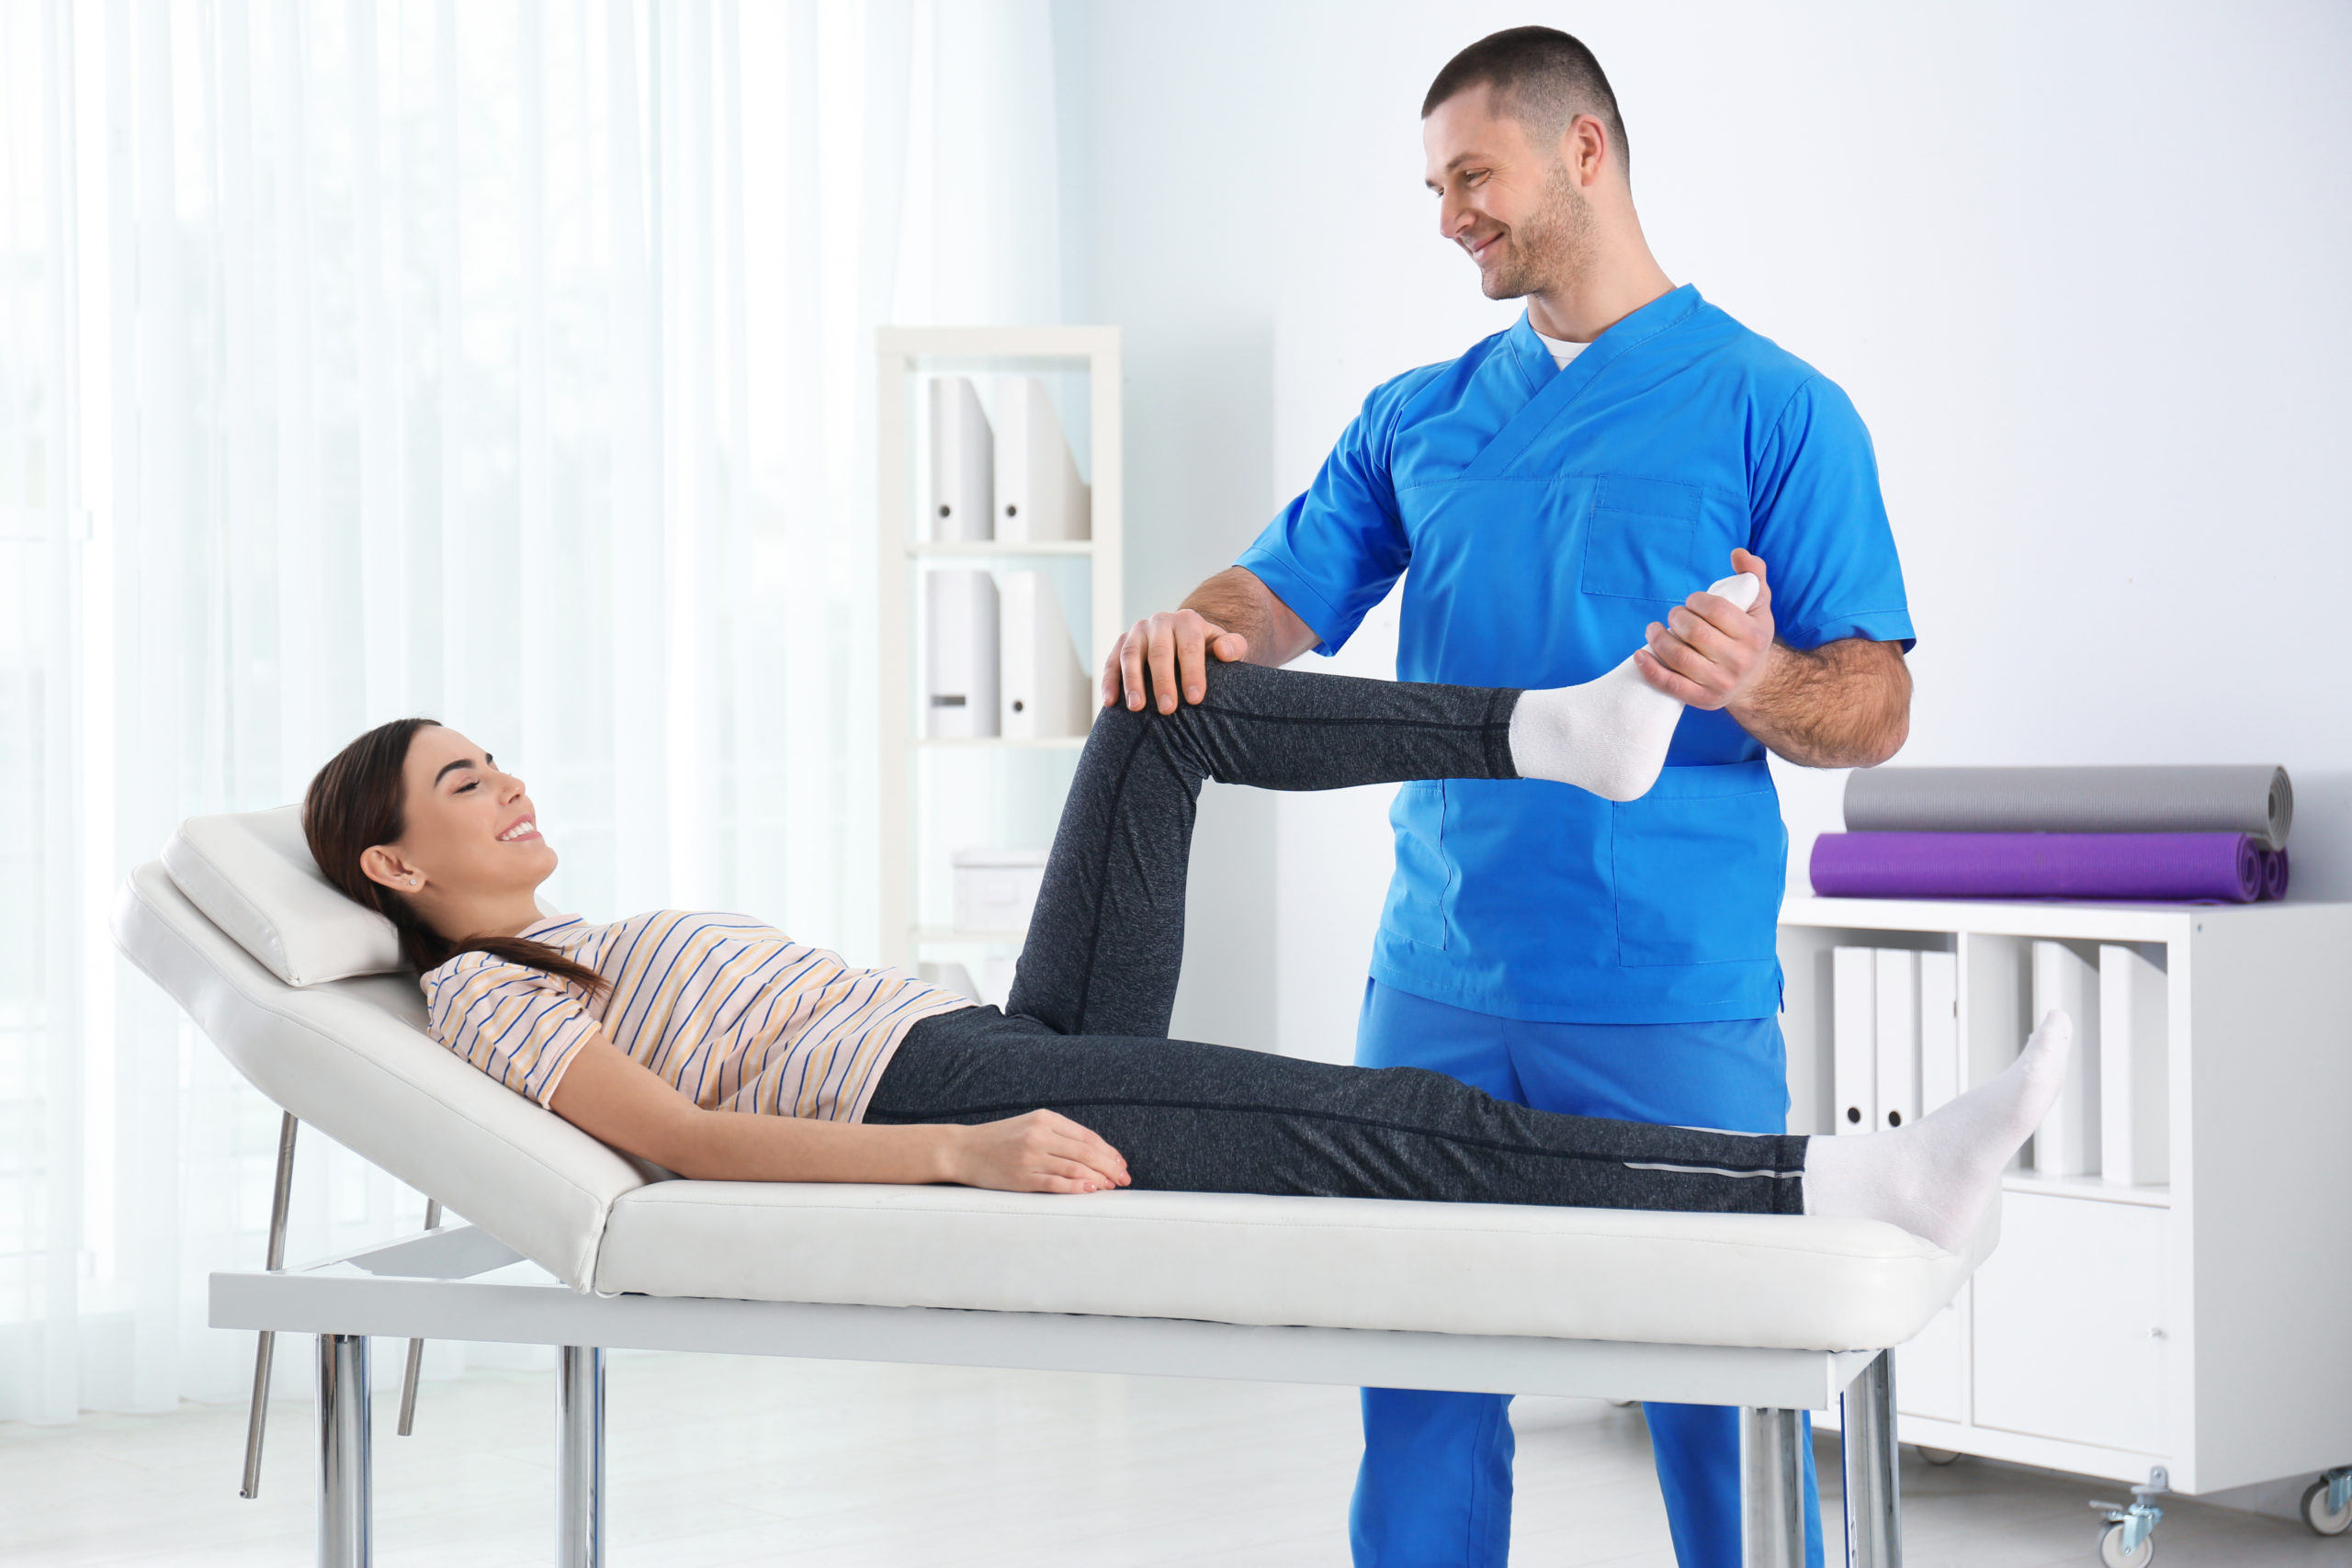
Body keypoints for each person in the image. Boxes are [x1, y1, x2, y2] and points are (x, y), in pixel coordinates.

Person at [1102, 26, 1916, 1568]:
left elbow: (1872, 700)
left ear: (1584, 149)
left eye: (1473, 175)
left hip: (1667, 993)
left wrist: (1755, 686)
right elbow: (1274, 595)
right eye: (1432, 186)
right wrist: (1193, 629)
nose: (1450, 214)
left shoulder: (1776, 409)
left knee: (1719, 1395)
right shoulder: (1418, 414)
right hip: (1440, 982)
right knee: (1416, 1388)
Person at [300, 643, 2056, 1253]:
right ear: (396, 859)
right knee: (1367, 1118)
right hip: (948, 1090)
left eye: (496, 757)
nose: (509, 782)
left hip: (995, 1026)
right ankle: (1830, 1187)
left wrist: (989, 1072)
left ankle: (1549, 734)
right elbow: (677, 1151)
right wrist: (963, 1154)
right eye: (467, 780)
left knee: (1166, 711)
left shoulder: (583, 934)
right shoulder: (473, 995)